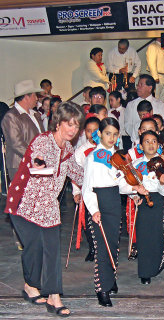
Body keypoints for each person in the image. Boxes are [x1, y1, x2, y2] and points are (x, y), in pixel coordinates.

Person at [5, 101, 85, 317]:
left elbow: (78, 174)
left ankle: (53, 295)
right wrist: (40, 167)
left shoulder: (67, 149)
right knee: (34, 249)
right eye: (69, 124)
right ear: (58, 123)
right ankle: (31, 285)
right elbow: (38, 166)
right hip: (23, 204)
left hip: (47, 207)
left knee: (49, 249)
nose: (72, 130)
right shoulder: (42, 142)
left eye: (76, 126)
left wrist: (99, 173)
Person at [82, 117, 142, 307]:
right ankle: (102, 289)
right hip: (99, 202)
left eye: (115, 134)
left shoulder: (117, 156)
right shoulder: (93, 157)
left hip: (115, 201)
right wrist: (94, 209)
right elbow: (87, 188)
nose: (112, 137)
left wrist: (136, 190)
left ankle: (111, 279)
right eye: (108, 133)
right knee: (102, 247)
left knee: (113, 244)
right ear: (99, 134)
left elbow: (122, 183)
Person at [132, 130, 164, 284]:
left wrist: (162, 182)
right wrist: (134, 195)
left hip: (157, 198)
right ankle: (145, 271)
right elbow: (130, 185)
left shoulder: (163, 163)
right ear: (141, 146)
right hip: (142, 200)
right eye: (146, 141)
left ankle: (159, 262)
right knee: (143, 236)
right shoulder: (136, 164)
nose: (150, 144)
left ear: (158, 144)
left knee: (156, 233)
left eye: (154, 141)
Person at [2, 80, 45, 180]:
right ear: (27, 97)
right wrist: (36, 157)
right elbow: (16, 144)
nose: (37, 99)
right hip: (20, 165)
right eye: (35, 95)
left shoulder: (35, 114)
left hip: (36, 163)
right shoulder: (11, 116)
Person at [71, 116, 100, 262]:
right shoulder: (81, 151)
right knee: (89, 222)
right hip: (87, 190)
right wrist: (76, 192)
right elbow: (75, 173)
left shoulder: (106, 148)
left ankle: (102, 247)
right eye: (89, 131)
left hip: (103, 189)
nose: (92, 133)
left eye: (96, 130)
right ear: (84, 132)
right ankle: (92, 248)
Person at [125, 74, 164, 143]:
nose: (138, 87)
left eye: (141, 85)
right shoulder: (130, 105)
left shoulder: (161, 105)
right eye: (137, 85)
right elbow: (128, 126)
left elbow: (161, 125)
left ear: (150, 88)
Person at [146, 38, 164, 102]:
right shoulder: (153, 46)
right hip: (158, 76)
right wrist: (155, 77)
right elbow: (151, 62)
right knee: (156, 98)